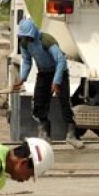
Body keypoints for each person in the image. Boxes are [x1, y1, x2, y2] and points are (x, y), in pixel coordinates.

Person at [12, 18, 83, 149]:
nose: (27, 40)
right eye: (24, 37)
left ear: (33, 33)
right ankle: (44, 134)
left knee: (64, 103)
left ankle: (72, 135)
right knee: (39, 103)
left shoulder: (46, 40)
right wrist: (22, 78)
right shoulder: (25, 44)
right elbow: (27, 62)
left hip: (59, 72)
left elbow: (60, 61)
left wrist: (56, 81)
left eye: (29, 37)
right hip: (43, 73)